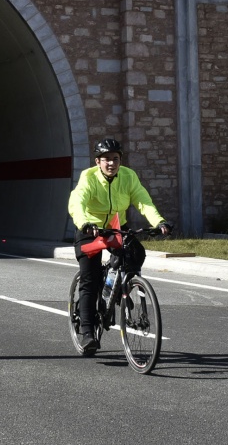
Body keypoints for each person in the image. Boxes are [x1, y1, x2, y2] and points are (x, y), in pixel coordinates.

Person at [67, 138, 171, 354]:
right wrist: (85, 224)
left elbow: (143, 201)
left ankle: (119, 285)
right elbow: (77, 202)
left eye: (115, 159)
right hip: (91, 229)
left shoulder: (128, 176)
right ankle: (87, 333)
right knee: (89, 279)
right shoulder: (88, 177)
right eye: (106, 159)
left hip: (116, 228)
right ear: (98, 161)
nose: (111, 163)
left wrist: (158, 222)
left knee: (136, 253)